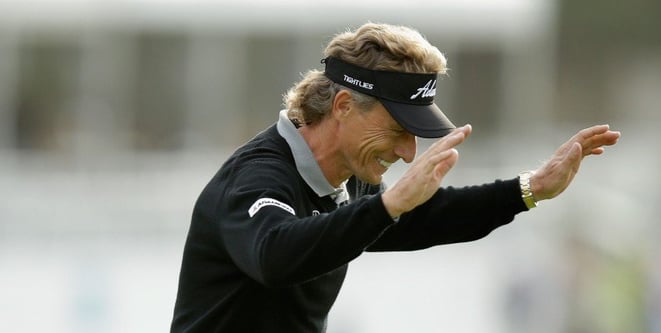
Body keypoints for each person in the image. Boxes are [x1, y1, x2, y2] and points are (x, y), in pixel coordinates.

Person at [170, 22, 620, 332]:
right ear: (343, 106)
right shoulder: (257, 177)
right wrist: (388, 206)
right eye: (398, 131)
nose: (408, 153)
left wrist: (529, 189)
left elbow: (419, 218)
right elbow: (274, 255)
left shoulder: (350, 172)